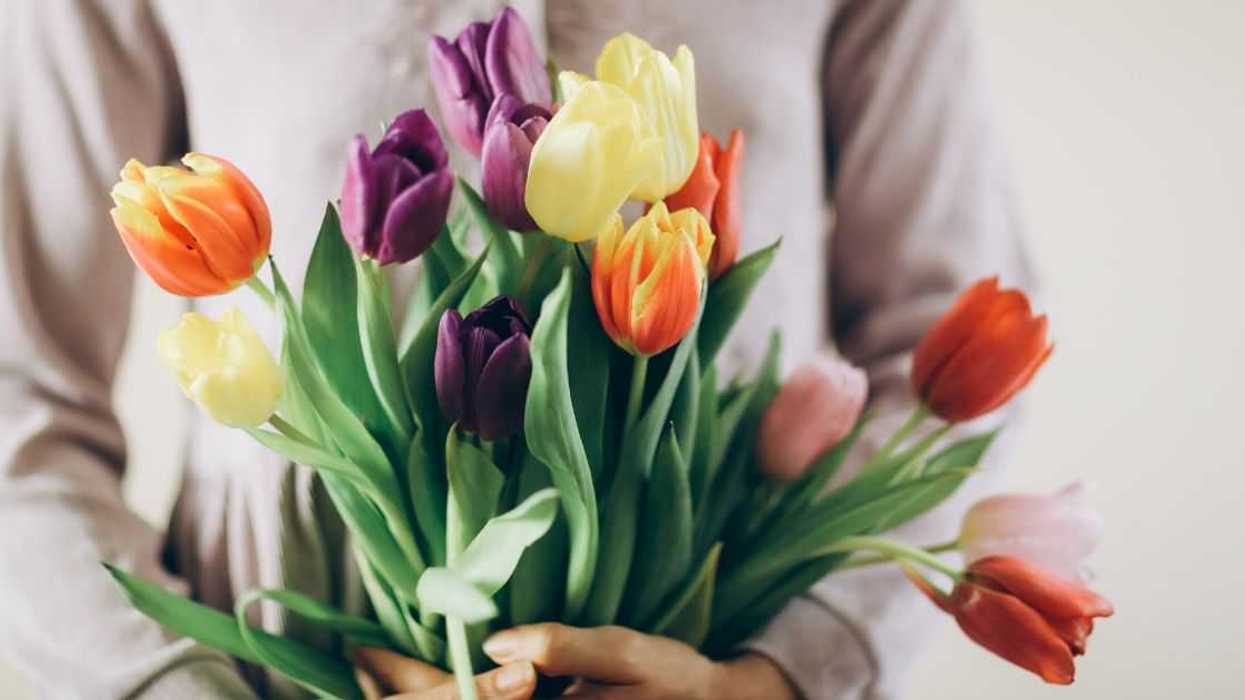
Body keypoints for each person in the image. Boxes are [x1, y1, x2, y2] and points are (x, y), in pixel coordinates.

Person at [0, 1, 1033, 698]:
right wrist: (177, 684)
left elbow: (945, 335)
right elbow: (16, 397)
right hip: (275, 662)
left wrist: (789, 673)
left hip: (730, 635)